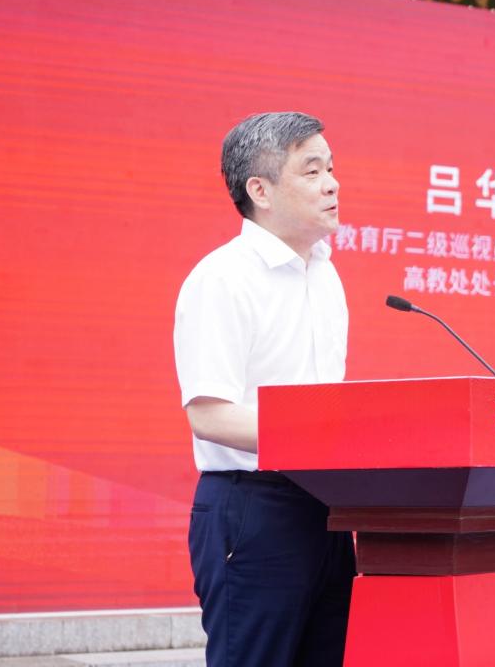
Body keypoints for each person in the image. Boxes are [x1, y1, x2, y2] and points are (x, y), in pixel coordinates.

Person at [173, 112, 354, 667]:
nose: (332, 184)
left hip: (327, 510)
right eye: (312, 171)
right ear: (261, 191)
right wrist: (318, 435)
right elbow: (209, 415)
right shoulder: (223, 278)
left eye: (331, 169)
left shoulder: (325, 275)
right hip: (253, 508)